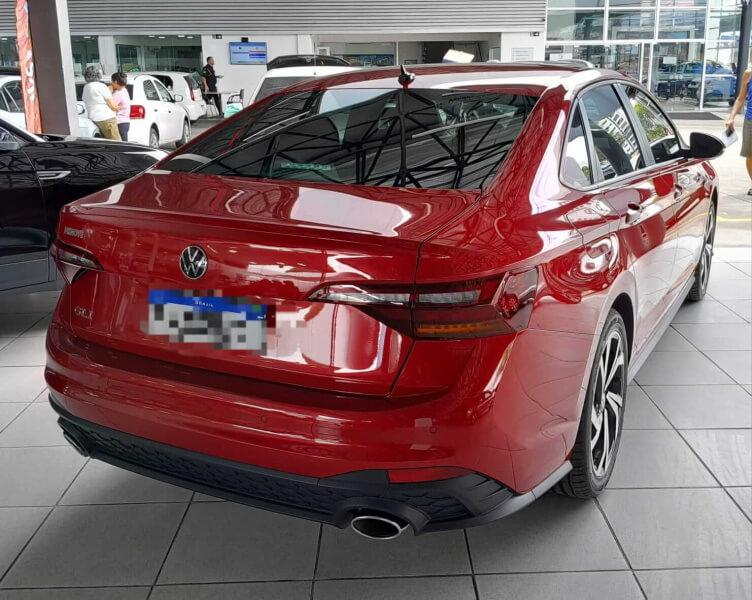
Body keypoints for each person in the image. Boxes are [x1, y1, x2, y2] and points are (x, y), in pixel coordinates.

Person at [726, 68, 752, 195]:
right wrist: (731, 117)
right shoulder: (748, 74)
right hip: (750, 120)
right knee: (750, 155)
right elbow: (741, 98)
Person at [82, 66, 120, 140]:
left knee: (102, 143)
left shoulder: (86, 87)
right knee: (116, 143)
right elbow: (112, 105)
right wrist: (118, 108)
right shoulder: (101, 86)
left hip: (93, 119)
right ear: (98, 74)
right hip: (107, 118)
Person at [110, 72, 130, 142]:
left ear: (115, 82)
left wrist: (109, 91)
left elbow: (110, 105)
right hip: (125, 122)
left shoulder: (118, 93)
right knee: (124, 144)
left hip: (119, 123)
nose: (111, 84)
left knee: (120, 145)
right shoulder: (124, 90)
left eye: (112, 82)